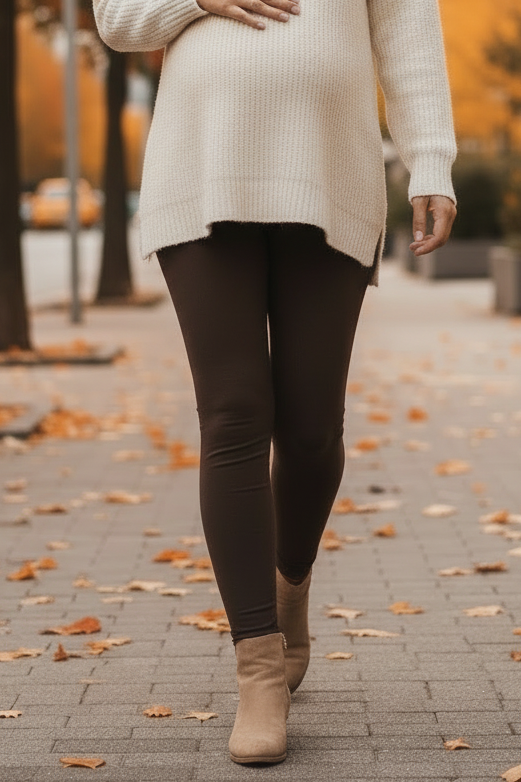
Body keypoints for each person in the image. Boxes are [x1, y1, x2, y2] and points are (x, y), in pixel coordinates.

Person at [93, 0, 457, 765]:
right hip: (201, 168)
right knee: (232, 416)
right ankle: (257, 663)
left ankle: (289, 586)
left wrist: (431, 159)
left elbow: (406, 29)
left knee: (310, 427)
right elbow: (116, 18)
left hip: (330, 171)